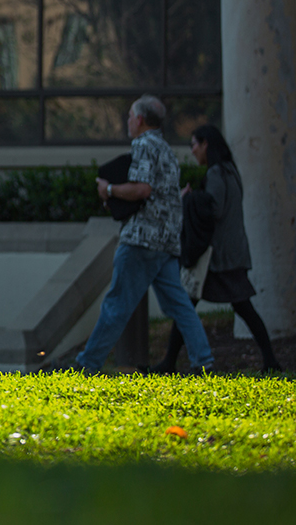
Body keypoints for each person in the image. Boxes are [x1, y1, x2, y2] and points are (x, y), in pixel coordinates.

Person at [74, 95, 215, 374]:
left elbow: (142, 189)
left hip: (141, 239)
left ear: (139, 119)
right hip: (167, 242)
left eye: (129, 116)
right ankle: (204, 361)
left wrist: (109, 190)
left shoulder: (143, 145)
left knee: (116, 303)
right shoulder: (167, 151)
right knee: (179, 305)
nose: (127, 121)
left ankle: (86, 365)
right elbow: (167, 194)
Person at [153, 125, 282, 374]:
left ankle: (170, 362)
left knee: (189, 305)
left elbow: (214, 210)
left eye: (194, 145)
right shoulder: (230, 171)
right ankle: (270, 361)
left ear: (206, 145)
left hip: (219, 257)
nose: (192, 151)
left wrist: (187, 199)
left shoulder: (216, 174)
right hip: (230, 254)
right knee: (232, 306)